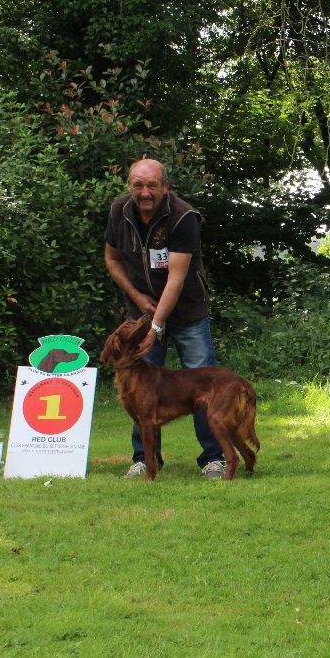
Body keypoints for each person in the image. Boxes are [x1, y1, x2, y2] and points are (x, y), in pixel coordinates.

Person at [104, 158, 227, 479]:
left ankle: (214, 458)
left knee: (202, 379)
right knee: (138, 386)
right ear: (129, 186)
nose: (145, 192)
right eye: (138, 185)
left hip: (186, 311)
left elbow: (176, 278)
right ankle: (145, 459)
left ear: (165, 187)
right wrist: (136, 296)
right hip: (141, 312)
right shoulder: (119, 211)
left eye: (152, 186)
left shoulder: (183, 217)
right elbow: (112, 258)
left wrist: (155, 326)